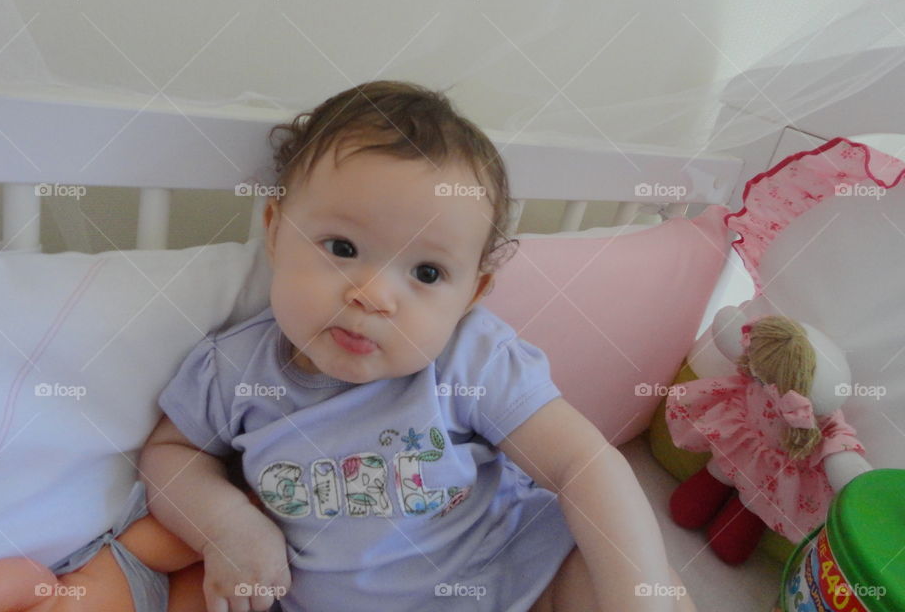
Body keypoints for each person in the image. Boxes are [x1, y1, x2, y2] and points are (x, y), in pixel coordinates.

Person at [138, 80, 696, 612]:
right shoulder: (235, 368)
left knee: (643, 589)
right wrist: (228, 526)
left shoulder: (468, 357)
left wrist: (636, 597)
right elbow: (170, 455)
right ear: (277, 231)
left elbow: (583, 464)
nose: (373, 295)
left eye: (426, 272)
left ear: (472, 294)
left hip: (523, 576)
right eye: (342, 246)